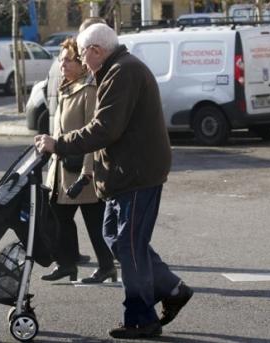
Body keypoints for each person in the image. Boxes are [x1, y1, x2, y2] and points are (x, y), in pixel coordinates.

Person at [34, 23, 193, 339]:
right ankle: (172, 289)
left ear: (95, 51)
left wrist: (59, 143)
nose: (80, 60)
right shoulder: (117, 69)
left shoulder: (123, 72)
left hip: (136, 175)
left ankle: (141, 318)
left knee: (129, 245)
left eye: (82, 54)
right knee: (115, 238)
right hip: (126, 174)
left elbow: (104, 129)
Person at [41, 38, 116, 284]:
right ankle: (66, 264)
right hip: (63, 169)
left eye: (67, 60)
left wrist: (87, 173)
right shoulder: (67, 87)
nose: (62, 64)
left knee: (94, 222)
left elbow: (92, 134)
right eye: (60, 59)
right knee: (59, 216)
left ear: (81, 64)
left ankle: (106, 266)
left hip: (82, 172)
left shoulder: (89, 90)